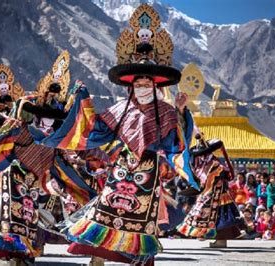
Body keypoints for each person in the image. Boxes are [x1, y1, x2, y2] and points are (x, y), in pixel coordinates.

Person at [42, 5, 194, 264]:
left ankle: (140, 259)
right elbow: (95, 130)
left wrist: (181, 112)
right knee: (105, 211)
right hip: (122, 167)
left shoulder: (166, 112)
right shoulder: (119, 109)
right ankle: (97, 258)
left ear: (154, 85)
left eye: (147, 84)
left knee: (141, 219)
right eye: (138, 84)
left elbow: (175, 143)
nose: (143, 87)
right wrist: (83, 101)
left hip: (148, 171)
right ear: (131, 85)